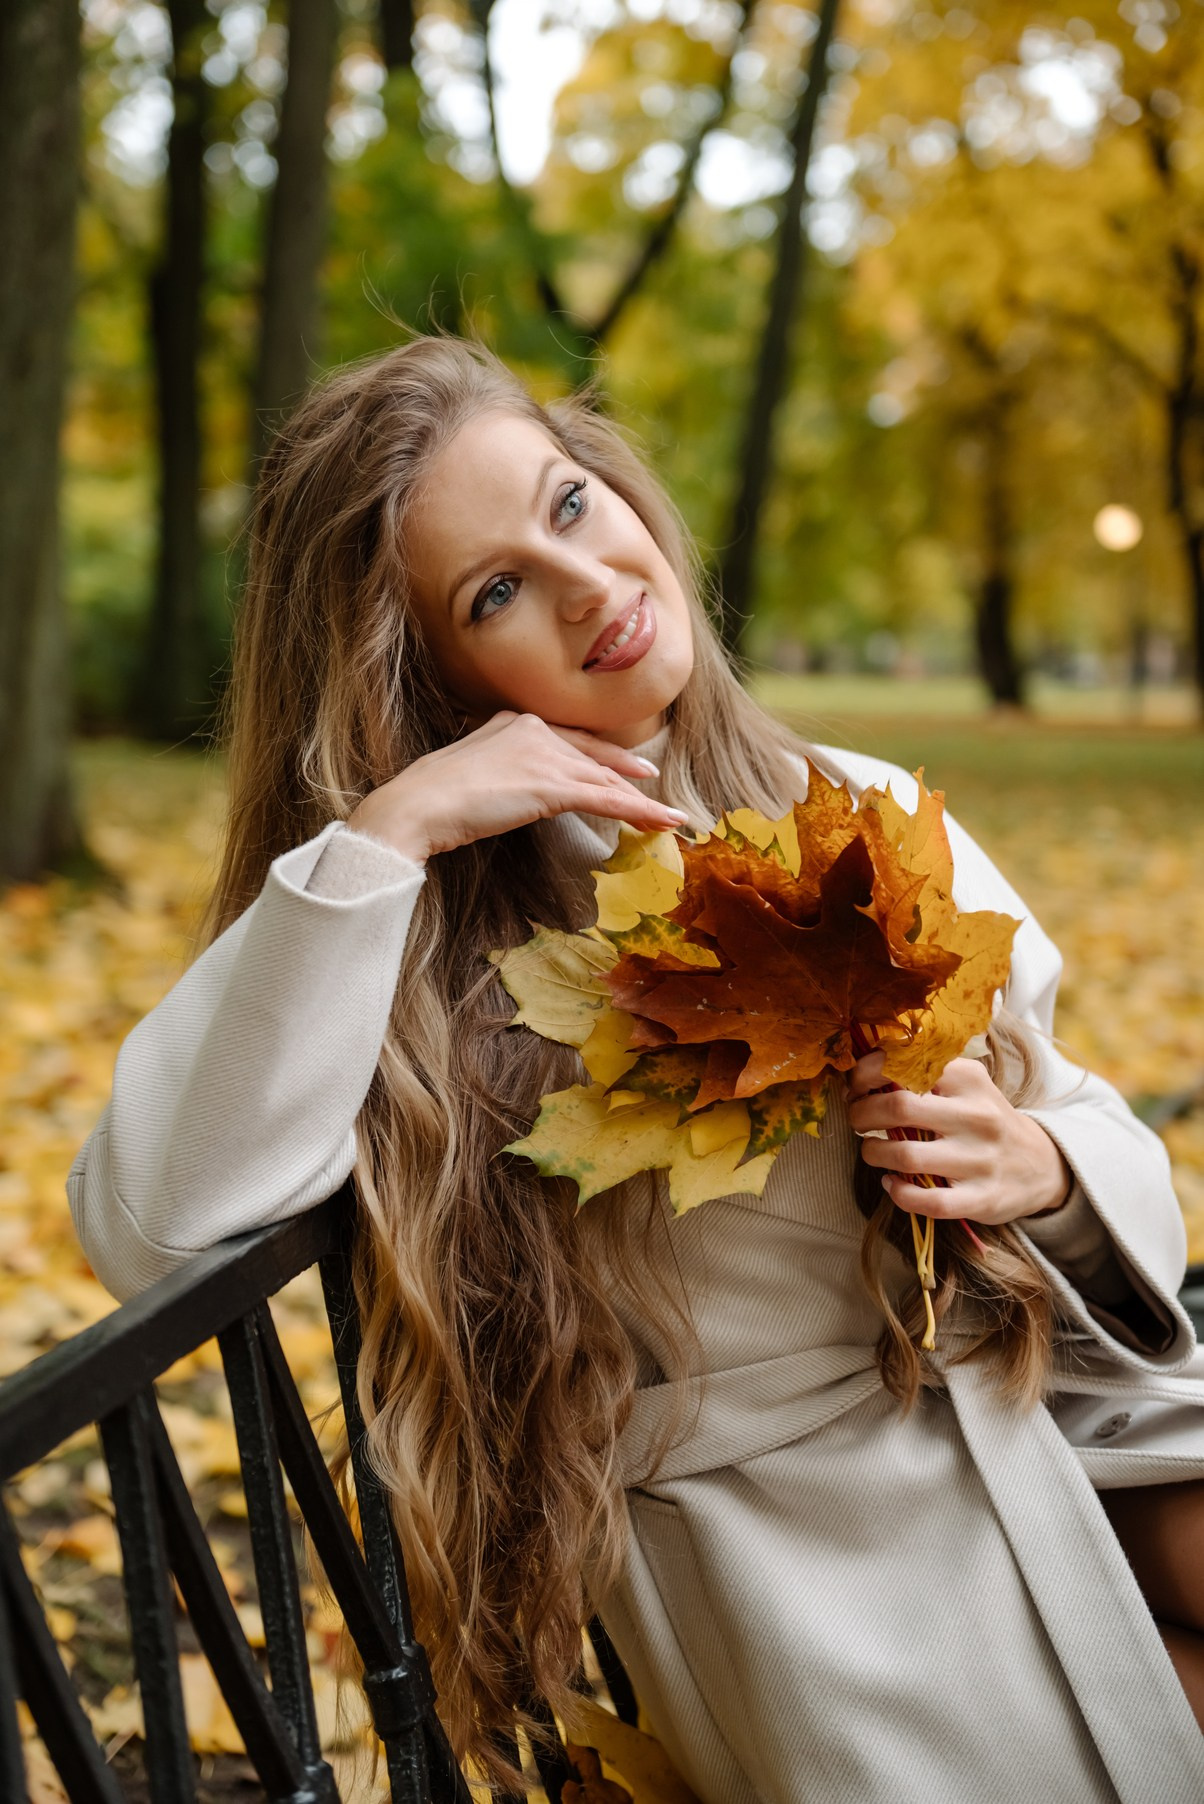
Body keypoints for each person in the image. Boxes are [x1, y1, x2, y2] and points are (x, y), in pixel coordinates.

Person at [68, 335, 1204, 1802]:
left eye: (568, 505)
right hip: (815, 1540)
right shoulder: (415, 945)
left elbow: (1079, 1113)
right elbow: (152, 1223)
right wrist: (392, 833)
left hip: (1044, 1386)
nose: (587, 584)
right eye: (494, 594)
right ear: (423, 685)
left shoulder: (847, 800)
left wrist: (1038, 1166)